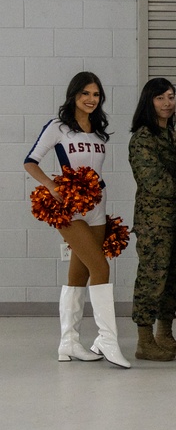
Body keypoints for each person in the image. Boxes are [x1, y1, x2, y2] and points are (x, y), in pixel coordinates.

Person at [24, 71, 130, 368]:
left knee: (80, 274)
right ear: (73, 95)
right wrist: (51, 185)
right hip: (70, 208)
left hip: (97, 205)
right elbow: (30, 161)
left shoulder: (97, 130)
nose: (91, 99)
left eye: (96, 94)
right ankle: (107, 340)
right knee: (101, 267)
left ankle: (69, 342)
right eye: (85, 93)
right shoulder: (58, 127)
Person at [128, 78, 176, 362]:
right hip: (155, 222)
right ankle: (144, 340)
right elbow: (154, 182)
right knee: (153, 278)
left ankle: (165, 334)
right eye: (160, 98)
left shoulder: (175, 138)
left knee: (174, 278)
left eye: (171, 97)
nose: (167, 103)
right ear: (149, 102)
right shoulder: (142, 138)